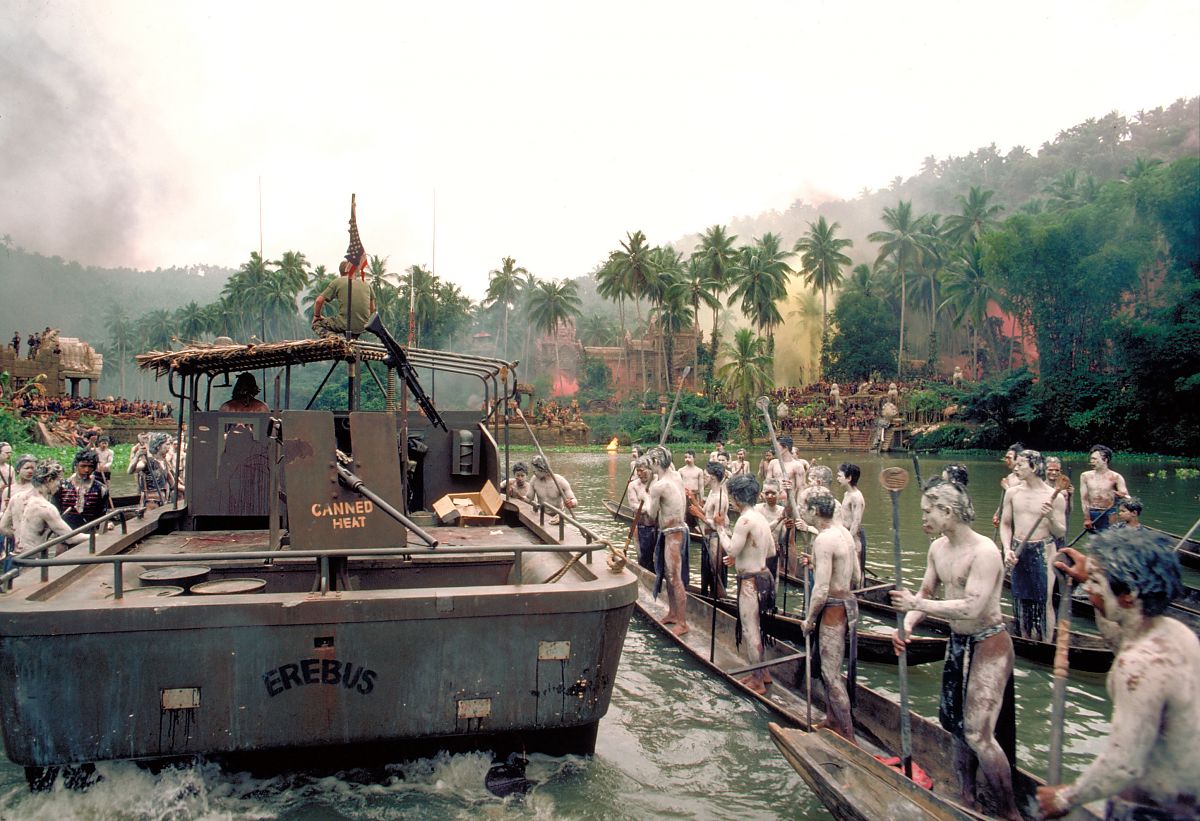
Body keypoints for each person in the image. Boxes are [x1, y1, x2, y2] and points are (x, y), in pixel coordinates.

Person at [1037, 530, 1200, 820]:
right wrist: (1097, 573)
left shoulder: (1139, 665)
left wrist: (1065, 797)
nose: (1088, 590)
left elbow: (1124, 765)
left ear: (1128, 595)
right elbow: (1118, 638)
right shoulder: (1176, 633)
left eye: (1097, 584)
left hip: (1156, 809)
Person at [891, 480, 1020, 821]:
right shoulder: (937, 549)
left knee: (979, 733)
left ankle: (1010, 812)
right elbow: (927, 593)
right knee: (955, 726)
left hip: (989, 642)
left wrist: (917, 604)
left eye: (927, 511)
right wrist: (908, 623)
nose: (924, 518)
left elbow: (973, 608)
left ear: (948, 512)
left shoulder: (985, 552)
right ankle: (967, 796)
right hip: (958, 643)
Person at [801, 492, 861, 741]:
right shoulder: (844, 533)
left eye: (805, 507)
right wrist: (816, 564)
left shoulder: (824, 539)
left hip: (834, 608)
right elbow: (857, 577)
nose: (802, 511)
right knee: (829, 670)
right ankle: (832, 719)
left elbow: (822, 589)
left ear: (815, 511)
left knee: (831, 675)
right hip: (847, 603)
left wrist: (809, 619)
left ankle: (848, 736)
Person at [1000, 449, 1067, 641]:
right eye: (1016, 463)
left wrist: (1051, 517)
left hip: (1044, 550)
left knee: (1044, 601)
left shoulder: (1055, 496)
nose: (1015, 467)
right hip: (1018, 550)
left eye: (1021, 464)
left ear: (1034, 467)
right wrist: (1007, 549)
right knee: (1022, 601)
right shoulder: (1012, 493)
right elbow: (1005, 524)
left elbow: (1060, 532)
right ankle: (1025, 638)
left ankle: (1046, 643)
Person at [720, 473, 774, 695]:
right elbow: (771, 550)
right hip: (765, 577)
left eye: (732, 496)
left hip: (750, 582)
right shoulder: (761, 517)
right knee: (759, 627)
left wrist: (720, 531)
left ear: (737, 498)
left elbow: (731, 549)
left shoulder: (744, 520)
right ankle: (763, 671)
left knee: (751, 629)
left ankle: (758, 679)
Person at [642, 446, 689, 636]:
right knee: (669, 576)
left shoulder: (659, 487)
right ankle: (672, 613)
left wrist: (645, 496)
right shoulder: (676, 475)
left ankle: (683, 622)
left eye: (651, 464)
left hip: (673, 534)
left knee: (675, 578)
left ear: (655, 463)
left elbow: (651, 516)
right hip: (675, 531)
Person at [16, 460, 82, 557]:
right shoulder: (46, 508)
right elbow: (72, 538)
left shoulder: (17, 498)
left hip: (15, 556)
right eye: (59, 480)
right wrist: (97, 536)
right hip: (32, 561)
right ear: (50, 479)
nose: (60, 485)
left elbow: (3, 527)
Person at [312, 260, 376, 337]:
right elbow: (372, 309)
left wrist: (317, 316)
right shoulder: (366, 284)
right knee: (351, 340)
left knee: (316, 324)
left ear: (341, 272)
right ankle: (351, 344)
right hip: (363, 325)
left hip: (345, 324)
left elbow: (319, 301)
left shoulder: (337, 281)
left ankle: (334, 339)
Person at [54, 450, 111, 531]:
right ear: (76, 465)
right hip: (64, 532)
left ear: (94, 467)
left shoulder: (101, 489)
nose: (87, 470)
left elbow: (101, 515)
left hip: (89, 532)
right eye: (83, 466)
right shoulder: (61, 486)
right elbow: (55, 511)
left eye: (90, 466)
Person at [1080, 444, 1128, 533]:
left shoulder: (1116, 477)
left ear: (1105, 460)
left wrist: (1121, 496)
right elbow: (1084, 499)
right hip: (1092, 513)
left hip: (1109, 513)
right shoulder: (1085, 476)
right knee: (1094, 542)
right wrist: (1087, 518)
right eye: (1091, 459)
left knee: (1109, 540)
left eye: (1094, 459)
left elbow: (1127, 499)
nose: (1091, 461)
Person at [700, 461, 729, 599]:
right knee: (706, 572)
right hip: (707, 537)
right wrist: (692, 499)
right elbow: (705, 511)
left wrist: (698, 515)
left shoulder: (720, 497)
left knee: (715, 572)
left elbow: (717, 525)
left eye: (706, 474)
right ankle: (708, 596)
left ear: (712, 477)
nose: (704, 476)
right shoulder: (712, 492)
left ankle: (718, 598)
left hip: (716, 538)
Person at [836, 462, 867, 578]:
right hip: (846, 534)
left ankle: (858, 592)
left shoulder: (856, 497)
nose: (837, 478)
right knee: (846, 568)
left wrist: (847, 540)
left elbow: (856, 521)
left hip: (854, 537)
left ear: (848, 478)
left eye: (840, 476)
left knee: (856, 570)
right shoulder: (847, 494)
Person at [529, 454, 577, 524]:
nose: (534, 472)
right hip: (541, 515)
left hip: (557, 517)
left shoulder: (560, 481)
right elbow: (529, 498)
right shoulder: (534, 480)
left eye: (535, 470)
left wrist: (571, 503)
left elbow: (575, 501)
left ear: (542, 469)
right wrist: (516, 494)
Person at [627, 458, 656, 571]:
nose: (639, 473)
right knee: (644, 558)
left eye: (642, 470)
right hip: (643, 527)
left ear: (650, 470)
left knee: (660, 558)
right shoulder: (633, 486)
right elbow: (634, 506)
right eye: (637, 471)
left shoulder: (658, 481)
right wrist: (651, 508)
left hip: (659, 526)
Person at [990, 442, 1024, 529]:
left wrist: (1007, 488)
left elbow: (1020, 499)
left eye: (1009, 458)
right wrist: (998, 513)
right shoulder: (1010, 477)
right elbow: (1005, 499)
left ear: (1018, 459)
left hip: (1020, 518)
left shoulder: (1024, 478)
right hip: (1008, 516)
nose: (1006, 460)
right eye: (1006, 458)